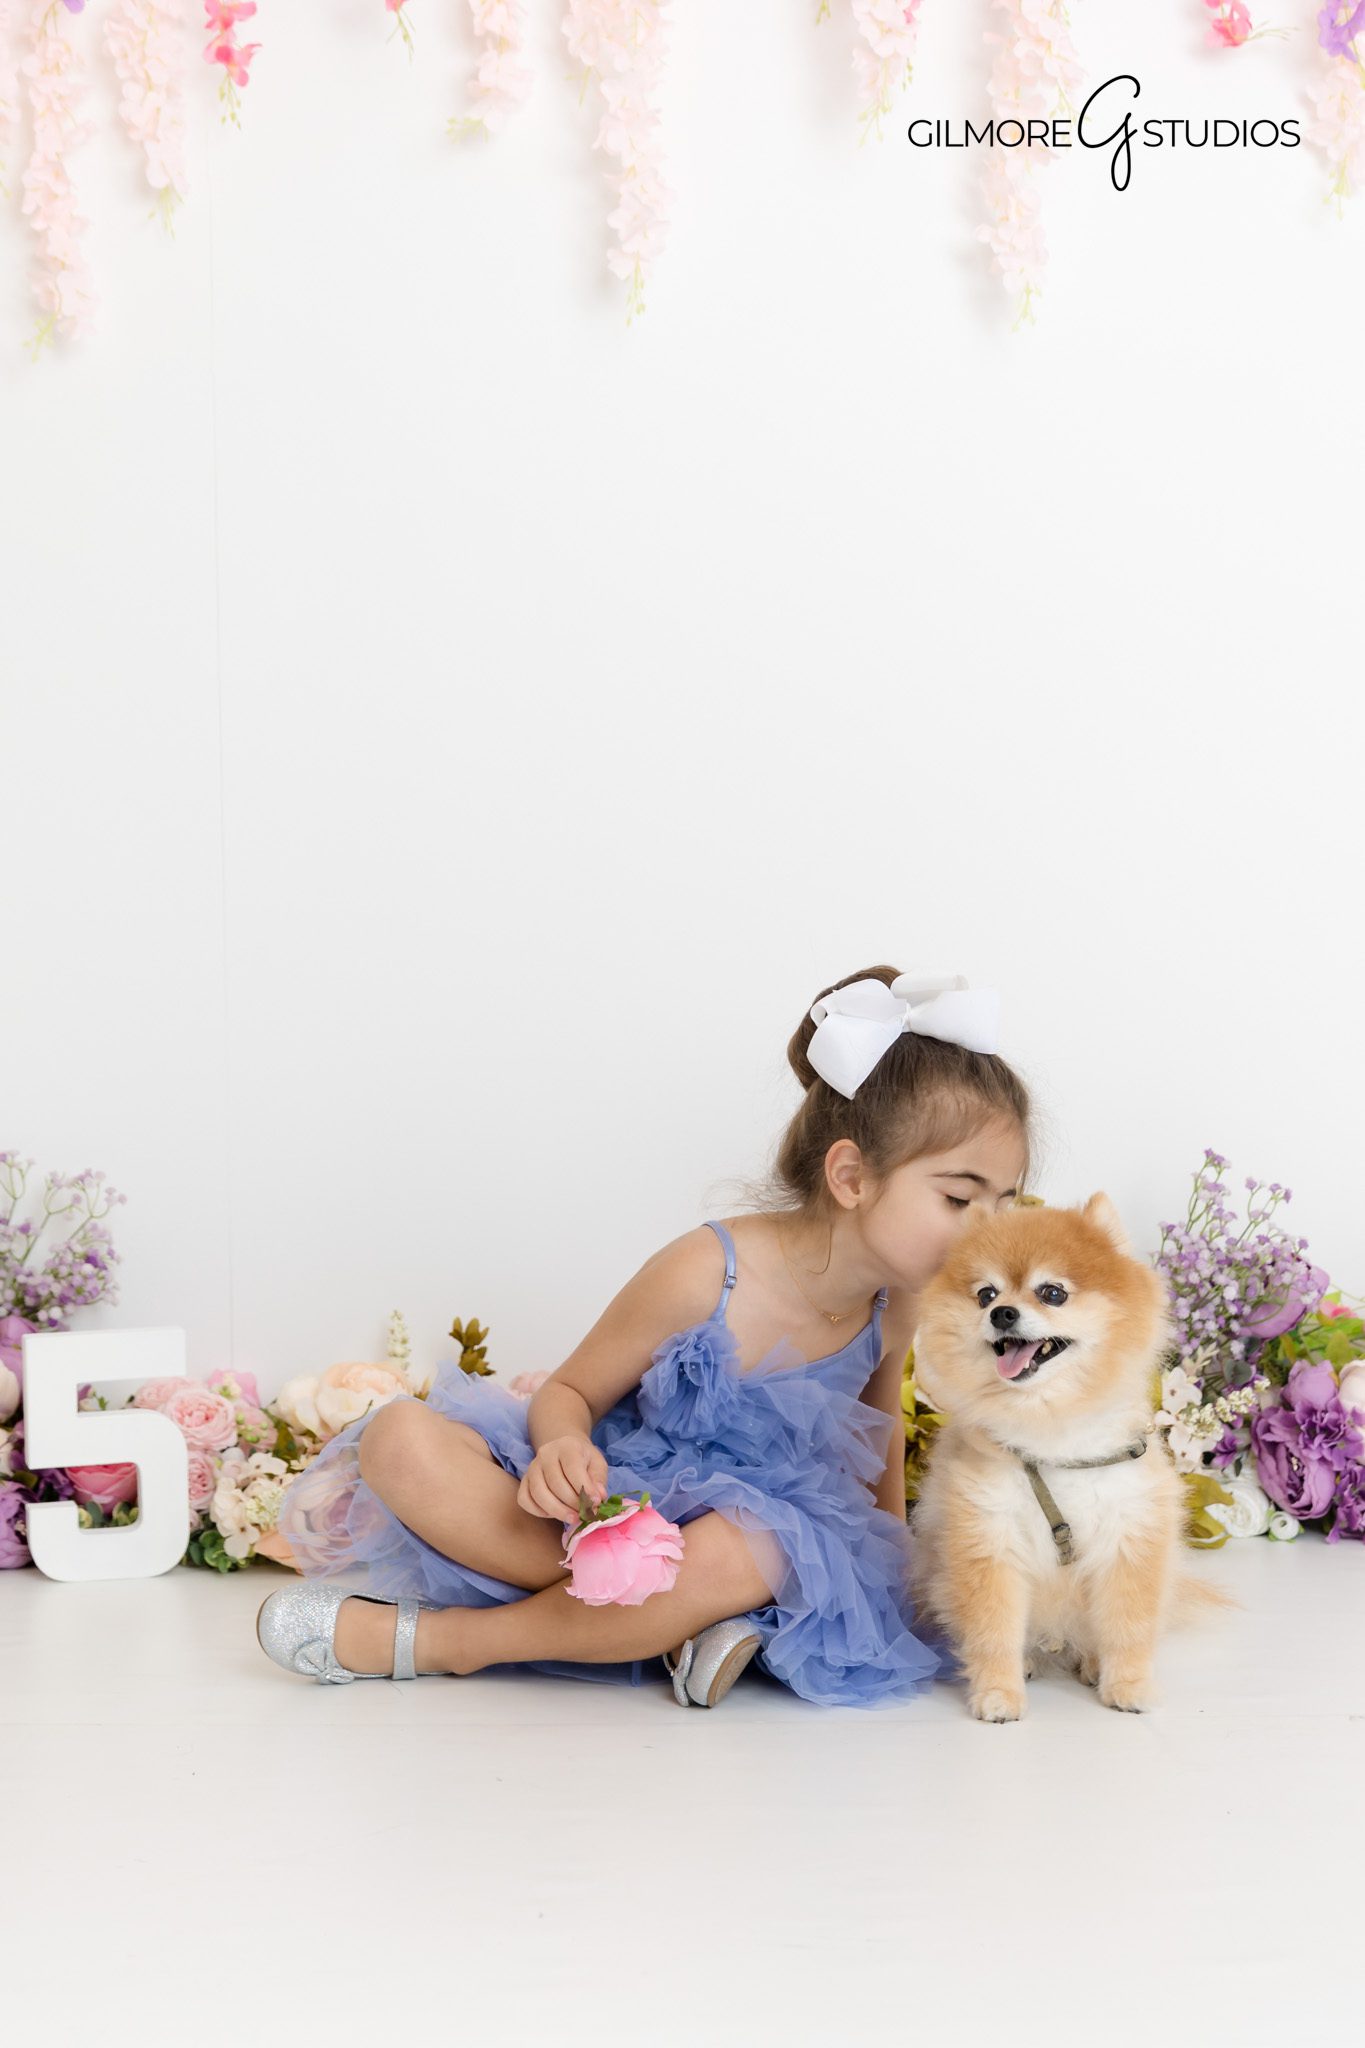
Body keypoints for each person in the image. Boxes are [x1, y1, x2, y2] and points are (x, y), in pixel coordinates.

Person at [257, 964, 1035, 1708]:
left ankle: (450, 1643)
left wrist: (889, 1563)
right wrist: (562, 1448)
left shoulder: (893, 1306)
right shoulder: (708, 1270)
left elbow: (876, 1437)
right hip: (618, 1508)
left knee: (757, 1548)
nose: (989, 1230)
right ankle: (663, 1623)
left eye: (1005, 1201)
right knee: (397, 1435)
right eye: (960, 1198)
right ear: (851, 1177)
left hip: (746, 1537)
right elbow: (570, 1391)